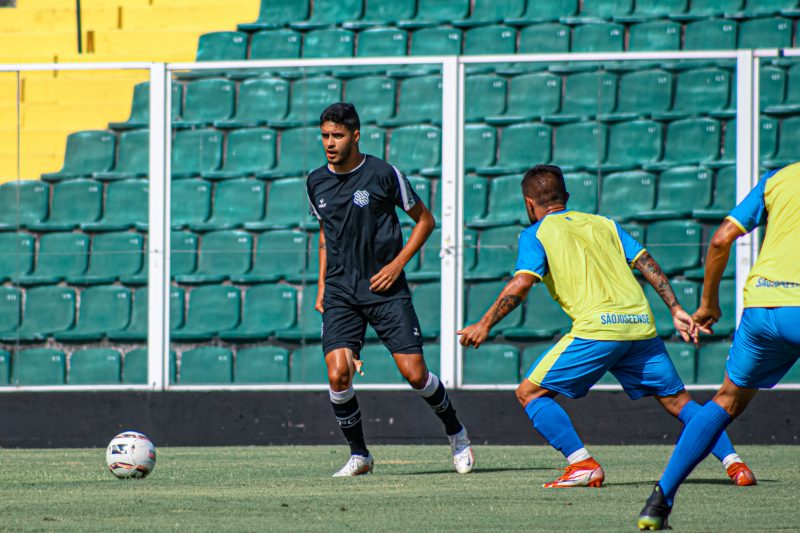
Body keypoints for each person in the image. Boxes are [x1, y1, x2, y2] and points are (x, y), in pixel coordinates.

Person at [458, 164, 754, 489]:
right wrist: (676, 307)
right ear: (566, 197)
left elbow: (521, 283)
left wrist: (485, 323)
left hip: (598, 329)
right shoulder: (605, 224)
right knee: (679, 402)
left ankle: (581, 463)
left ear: (529, 204)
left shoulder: (536, 233)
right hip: (640, 324)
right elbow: (646, 262)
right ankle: (735, 464)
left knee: (530, 393)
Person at [307, 102, 474, 477]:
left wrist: (397, 264)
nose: (330, 143)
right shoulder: (315, 181)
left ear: (355, 135)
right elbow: (325, 232)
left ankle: (456, 432)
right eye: (324, 136)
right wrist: (321, 283)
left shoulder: (383, 174)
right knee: (337, 374)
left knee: (415, 375)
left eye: (337, 135)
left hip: (386, 289)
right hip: (340, 291)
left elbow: (425, 221)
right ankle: (359, 455)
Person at [637, 162, 800, 530]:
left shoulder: (779, 179)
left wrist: (709, 304)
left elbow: (721, 238)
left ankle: (658, 501)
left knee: (725, 400)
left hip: (762, 306)